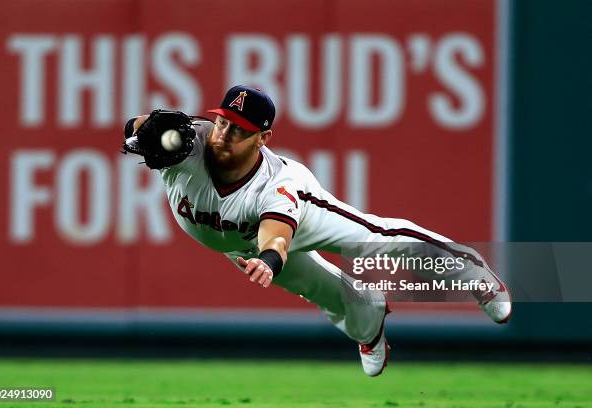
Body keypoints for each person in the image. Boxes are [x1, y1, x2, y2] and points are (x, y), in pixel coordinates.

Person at [125, 85, 512, 377]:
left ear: (263, 138)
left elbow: (276, 236)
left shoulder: (276, 186)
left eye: (239, 130)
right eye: (223, 122)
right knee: (322, 287)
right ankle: (370, 323)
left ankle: (471, 273)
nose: (224, 135)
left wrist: (270, 260)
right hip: (236, 242)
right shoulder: (186, 143)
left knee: (377, 240)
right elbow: (135, 128)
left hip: (297, 217)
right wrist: (139, 128)